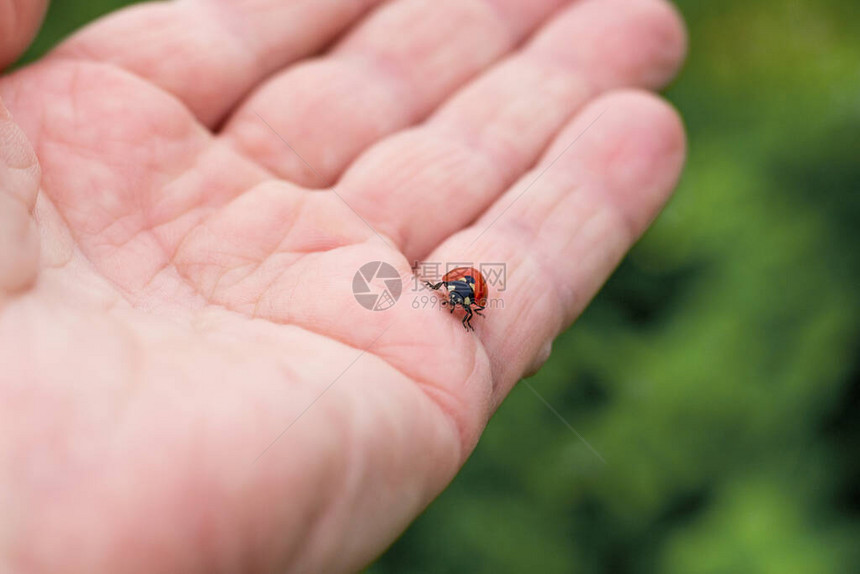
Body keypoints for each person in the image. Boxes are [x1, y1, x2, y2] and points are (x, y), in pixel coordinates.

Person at [0, 0, 687, 571]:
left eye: (458, 301)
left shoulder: (458, 291)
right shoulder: (455, 291)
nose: (455, 303)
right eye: (458, 300)